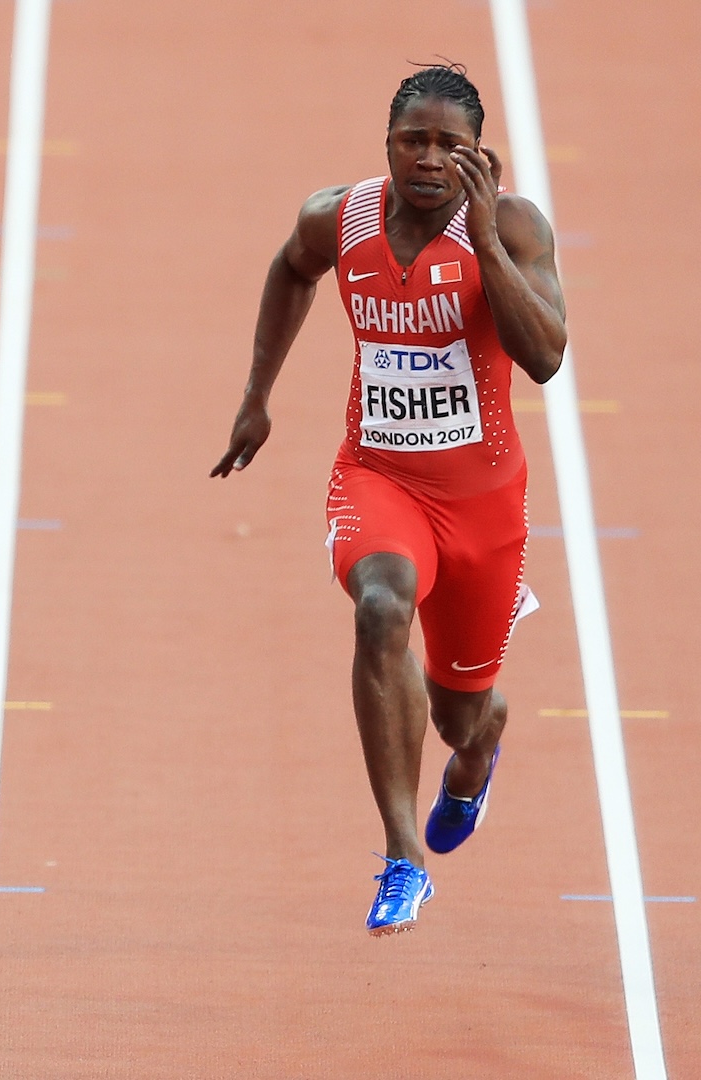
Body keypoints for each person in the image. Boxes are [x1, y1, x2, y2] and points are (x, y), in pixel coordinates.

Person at [212, 65, 566, 935]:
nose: (430, 158)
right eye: (415, 139)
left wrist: (483, 242)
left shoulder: (514, 228)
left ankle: (480, 749)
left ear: (479, 157)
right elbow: (292, 271)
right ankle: (402, 858)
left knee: (460, 713)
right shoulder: (341, 217)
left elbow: (548, 355)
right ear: (388, 145)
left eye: (452, 145)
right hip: (379, 476)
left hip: (483, 500)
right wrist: (259, 394)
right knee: (380, 607)